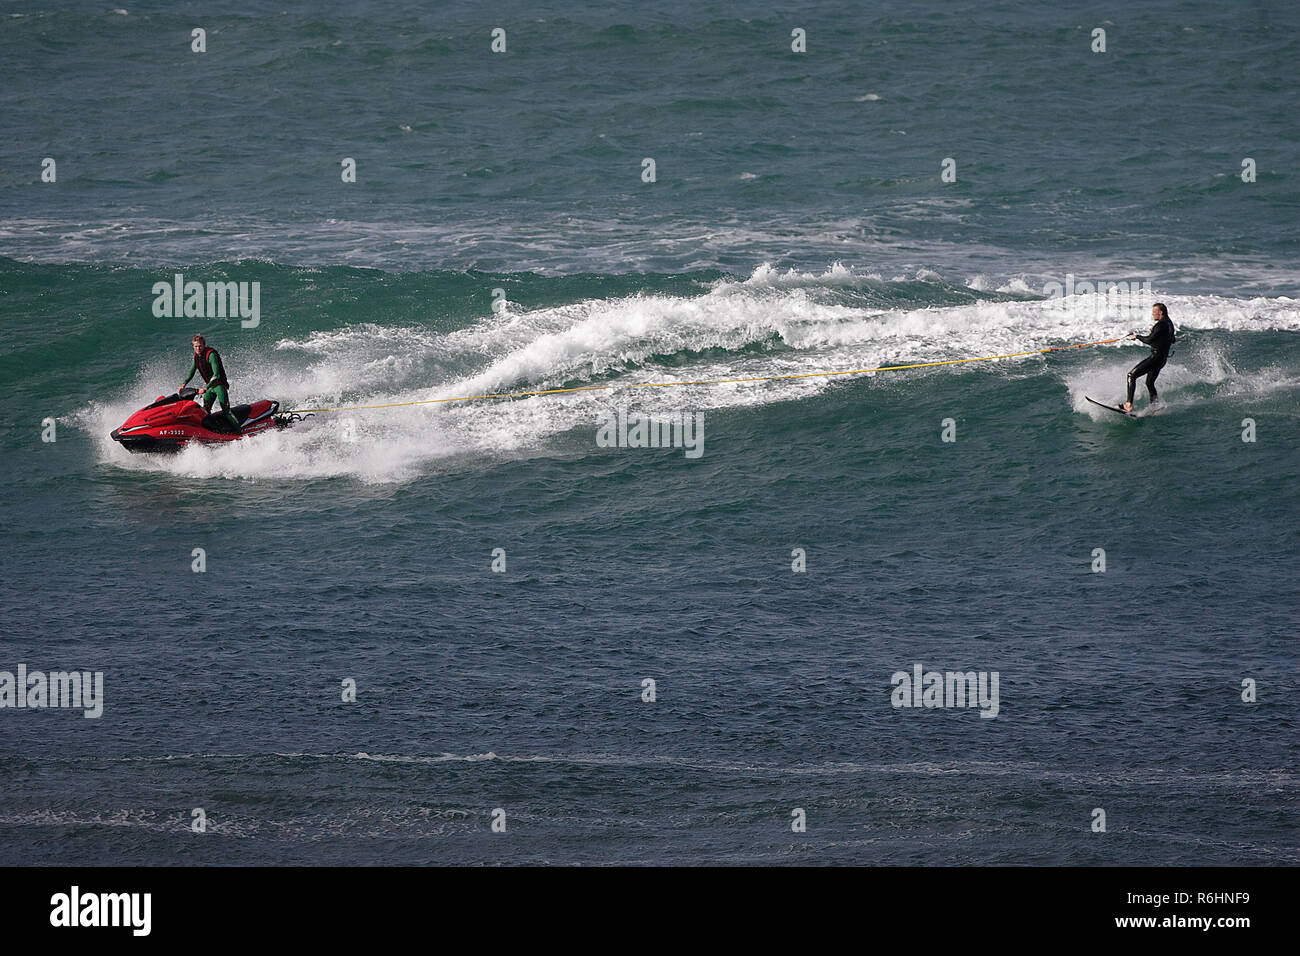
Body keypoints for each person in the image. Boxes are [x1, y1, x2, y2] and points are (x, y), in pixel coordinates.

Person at [181, 334, 241, 433]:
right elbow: (191, 371)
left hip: (219, 385)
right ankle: (212, 433)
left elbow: (216, 374)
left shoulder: (211, 355)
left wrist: (206, 388)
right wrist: (184, 384)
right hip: (210, 387)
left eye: (200, 346)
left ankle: (240, 433)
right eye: (195, 346)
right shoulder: (196, 356)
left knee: (226, 411)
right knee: (205, 411)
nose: (198, 348)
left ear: (204, 345)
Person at [1122, 303, 1176, 413]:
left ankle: (1128, 404)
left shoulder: (1160, 325)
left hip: (1155, 357)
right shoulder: (1170, 325)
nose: (1152, 314)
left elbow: (1149, 340)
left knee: (1131, 375)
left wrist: (1137, 337)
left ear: (1160, 312)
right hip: (1162, 359)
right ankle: (1154, 406)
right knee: (1150, 383)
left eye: (1154, 312)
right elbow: (1172, 339)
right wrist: (1156, 332)